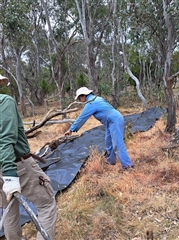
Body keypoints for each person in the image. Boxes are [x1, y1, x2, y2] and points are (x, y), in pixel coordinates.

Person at [0, 74, 57, 240]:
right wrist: (10, 176)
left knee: (9, 208)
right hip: (16, 165)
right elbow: (4, 140)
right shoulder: (4, 101)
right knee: (47, 204)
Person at [65, 87, 134, 171]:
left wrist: (71, 129)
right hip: (111, 121)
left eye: (79, 97)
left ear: (83, 96)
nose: (79, 100)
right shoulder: (97, 99)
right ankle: (111, 160)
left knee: (117, 144)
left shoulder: (91, 103)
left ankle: (127, 166)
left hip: (114, 121)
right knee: (108, 141)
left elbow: (81, 118)